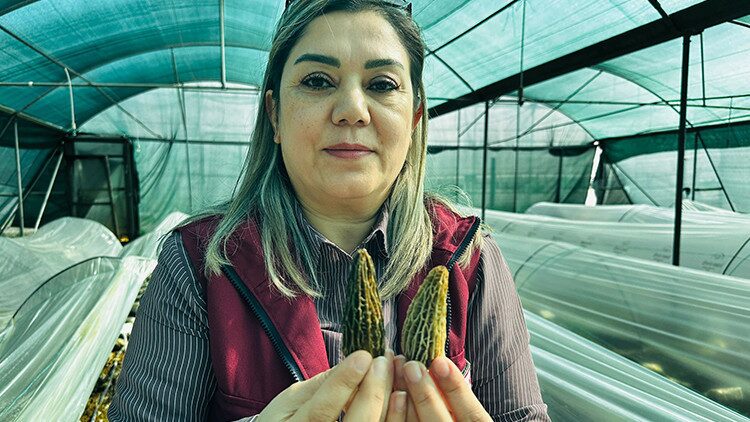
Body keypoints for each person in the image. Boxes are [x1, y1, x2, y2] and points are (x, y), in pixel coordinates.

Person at [109, 0, 550, 421]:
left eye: (382, 84)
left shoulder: (468, 257)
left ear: (415, 118)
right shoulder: (200, 262)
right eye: (318, 81)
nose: (352, 111)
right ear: (275, 115)